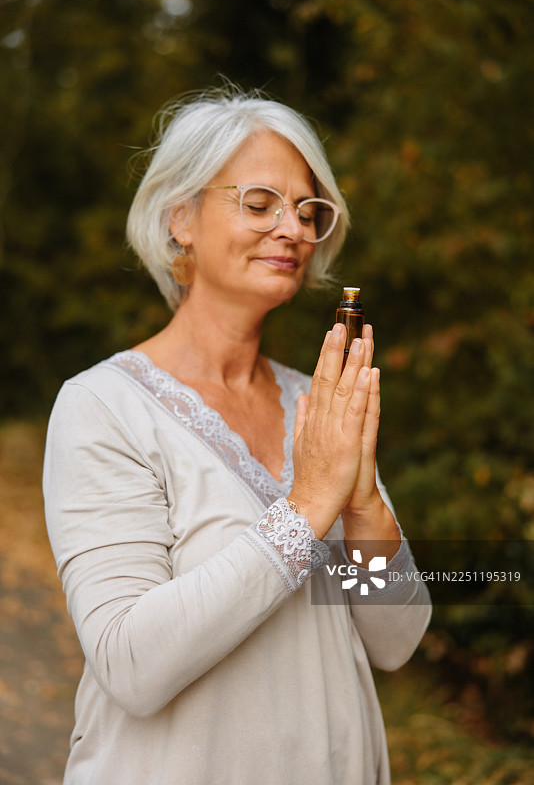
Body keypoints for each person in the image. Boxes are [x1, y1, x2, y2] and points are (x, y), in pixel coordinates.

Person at [43, 86, 431, 785]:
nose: (292, 229)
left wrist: (361, 501)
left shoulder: (315, 404)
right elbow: (132, 663)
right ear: (179, 217)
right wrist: (309, 504)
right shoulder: (102, 406)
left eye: (308, 210)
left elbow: (396, 640)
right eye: (259, 204)